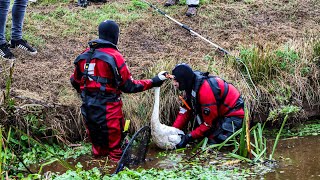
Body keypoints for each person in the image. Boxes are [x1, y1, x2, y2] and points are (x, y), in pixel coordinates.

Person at [70, 20, 167, 162]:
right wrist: (153, 82)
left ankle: (96, 171)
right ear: (115, 36)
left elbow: (74, 81)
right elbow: (129, 86)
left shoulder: (84, 55)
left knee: (98, 150)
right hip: (109, 110)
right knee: (116, 151)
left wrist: (90, 95)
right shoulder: (114, 56)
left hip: (88, 109)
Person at [170, 63, 244, 148]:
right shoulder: (191, 86)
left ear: (184, 80)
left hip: (234, 115)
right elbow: (186, 110)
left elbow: (208, 124)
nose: (174, 84)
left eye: (176, 81)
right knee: (202, 138)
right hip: (219, 113)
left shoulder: (205, 92)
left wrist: (188, 137)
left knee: (214, 144)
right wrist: (173, 130)